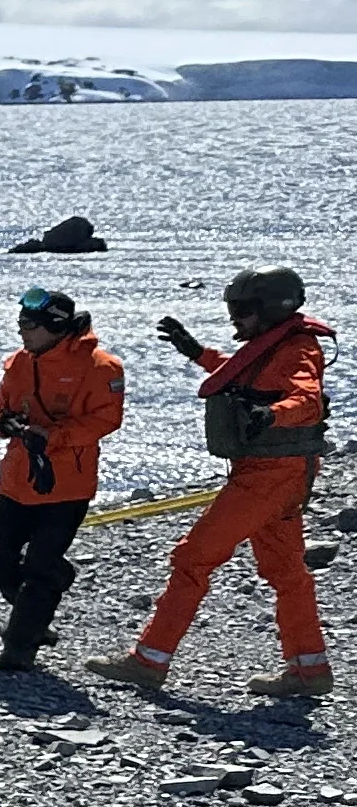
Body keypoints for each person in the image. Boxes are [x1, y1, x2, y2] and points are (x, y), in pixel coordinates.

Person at [90, 267, 332, 702]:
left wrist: (271, 415)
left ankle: (149, 661)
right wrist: (196, 352)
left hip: (268, 476)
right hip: (279, 473)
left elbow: (306, 399)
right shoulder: (277, 345)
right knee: (286, 570)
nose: (234, 318)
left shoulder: (298, 350)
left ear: (271, 309)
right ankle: (309, 668)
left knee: (193, 558)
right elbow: (242, 373)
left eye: (242, 310)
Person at [0, 287, 124, 674]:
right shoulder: (20, 363)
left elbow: (106, 420)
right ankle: (51, 584)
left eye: (28, 325)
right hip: (17, 481)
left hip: (66, 487)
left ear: (54, 326)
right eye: (20, 323)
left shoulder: (101, 368)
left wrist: (53, 437)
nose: (21, 331)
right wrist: (1, 422)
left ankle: (19, 649)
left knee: (39, 565)